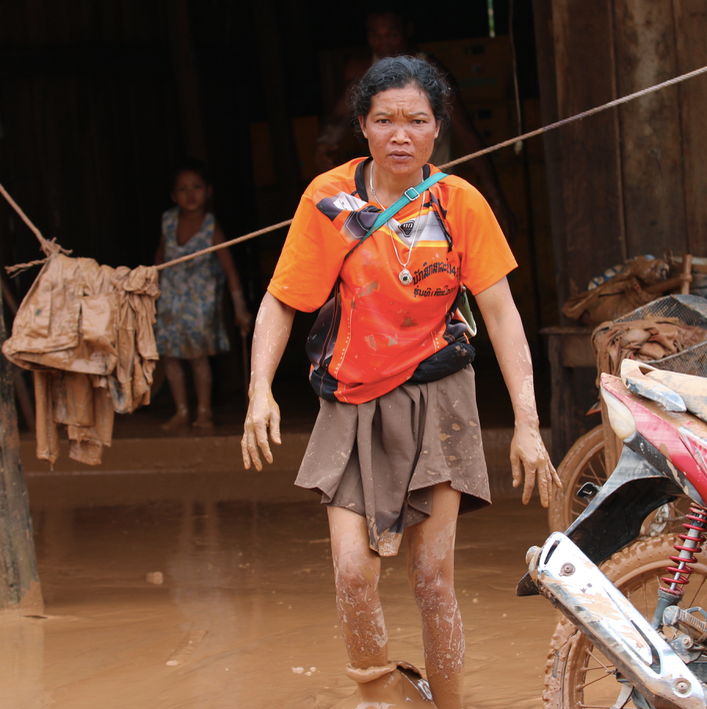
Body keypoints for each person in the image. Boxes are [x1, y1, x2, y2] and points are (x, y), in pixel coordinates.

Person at [241, 56, 557, 709]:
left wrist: (527, 422)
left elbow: (501, 314)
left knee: (433, 578)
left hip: (439, 398)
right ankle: (381, 698)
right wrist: (258, 391)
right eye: (385, 119)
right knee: (353, 572)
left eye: (416, 120)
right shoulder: (329, 201)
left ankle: (450, 705)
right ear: (362, 126)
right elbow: (280, 299)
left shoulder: (460, 203)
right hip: (351, 399)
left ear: (438, 129)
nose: (400, 134)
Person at [314, 9, 517, 238]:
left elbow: (467, 133)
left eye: (391, 34)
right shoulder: (362, 68)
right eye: (375, 35)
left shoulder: (430, 73)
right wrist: (324, 145)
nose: (383, 44)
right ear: (363, 125)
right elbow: (339, 116)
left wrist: (497, 198)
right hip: (386, 193)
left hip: (431, 186)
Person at [154, 161, 251, 430]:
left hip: (200, 304)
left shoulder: (211, 227)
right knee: (171, 357)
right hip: (171, 302)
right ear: (174, 196)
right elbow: (161, 254)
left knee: (198, 358)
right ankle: (182, 411)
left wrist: (240, 308)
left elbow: (230, 270)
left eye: (196, 187)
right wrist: (150, 288)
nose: (190, 194)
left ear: (208, 191)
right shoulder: (168, 220)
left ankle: (204, 411)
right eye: (183, 189)